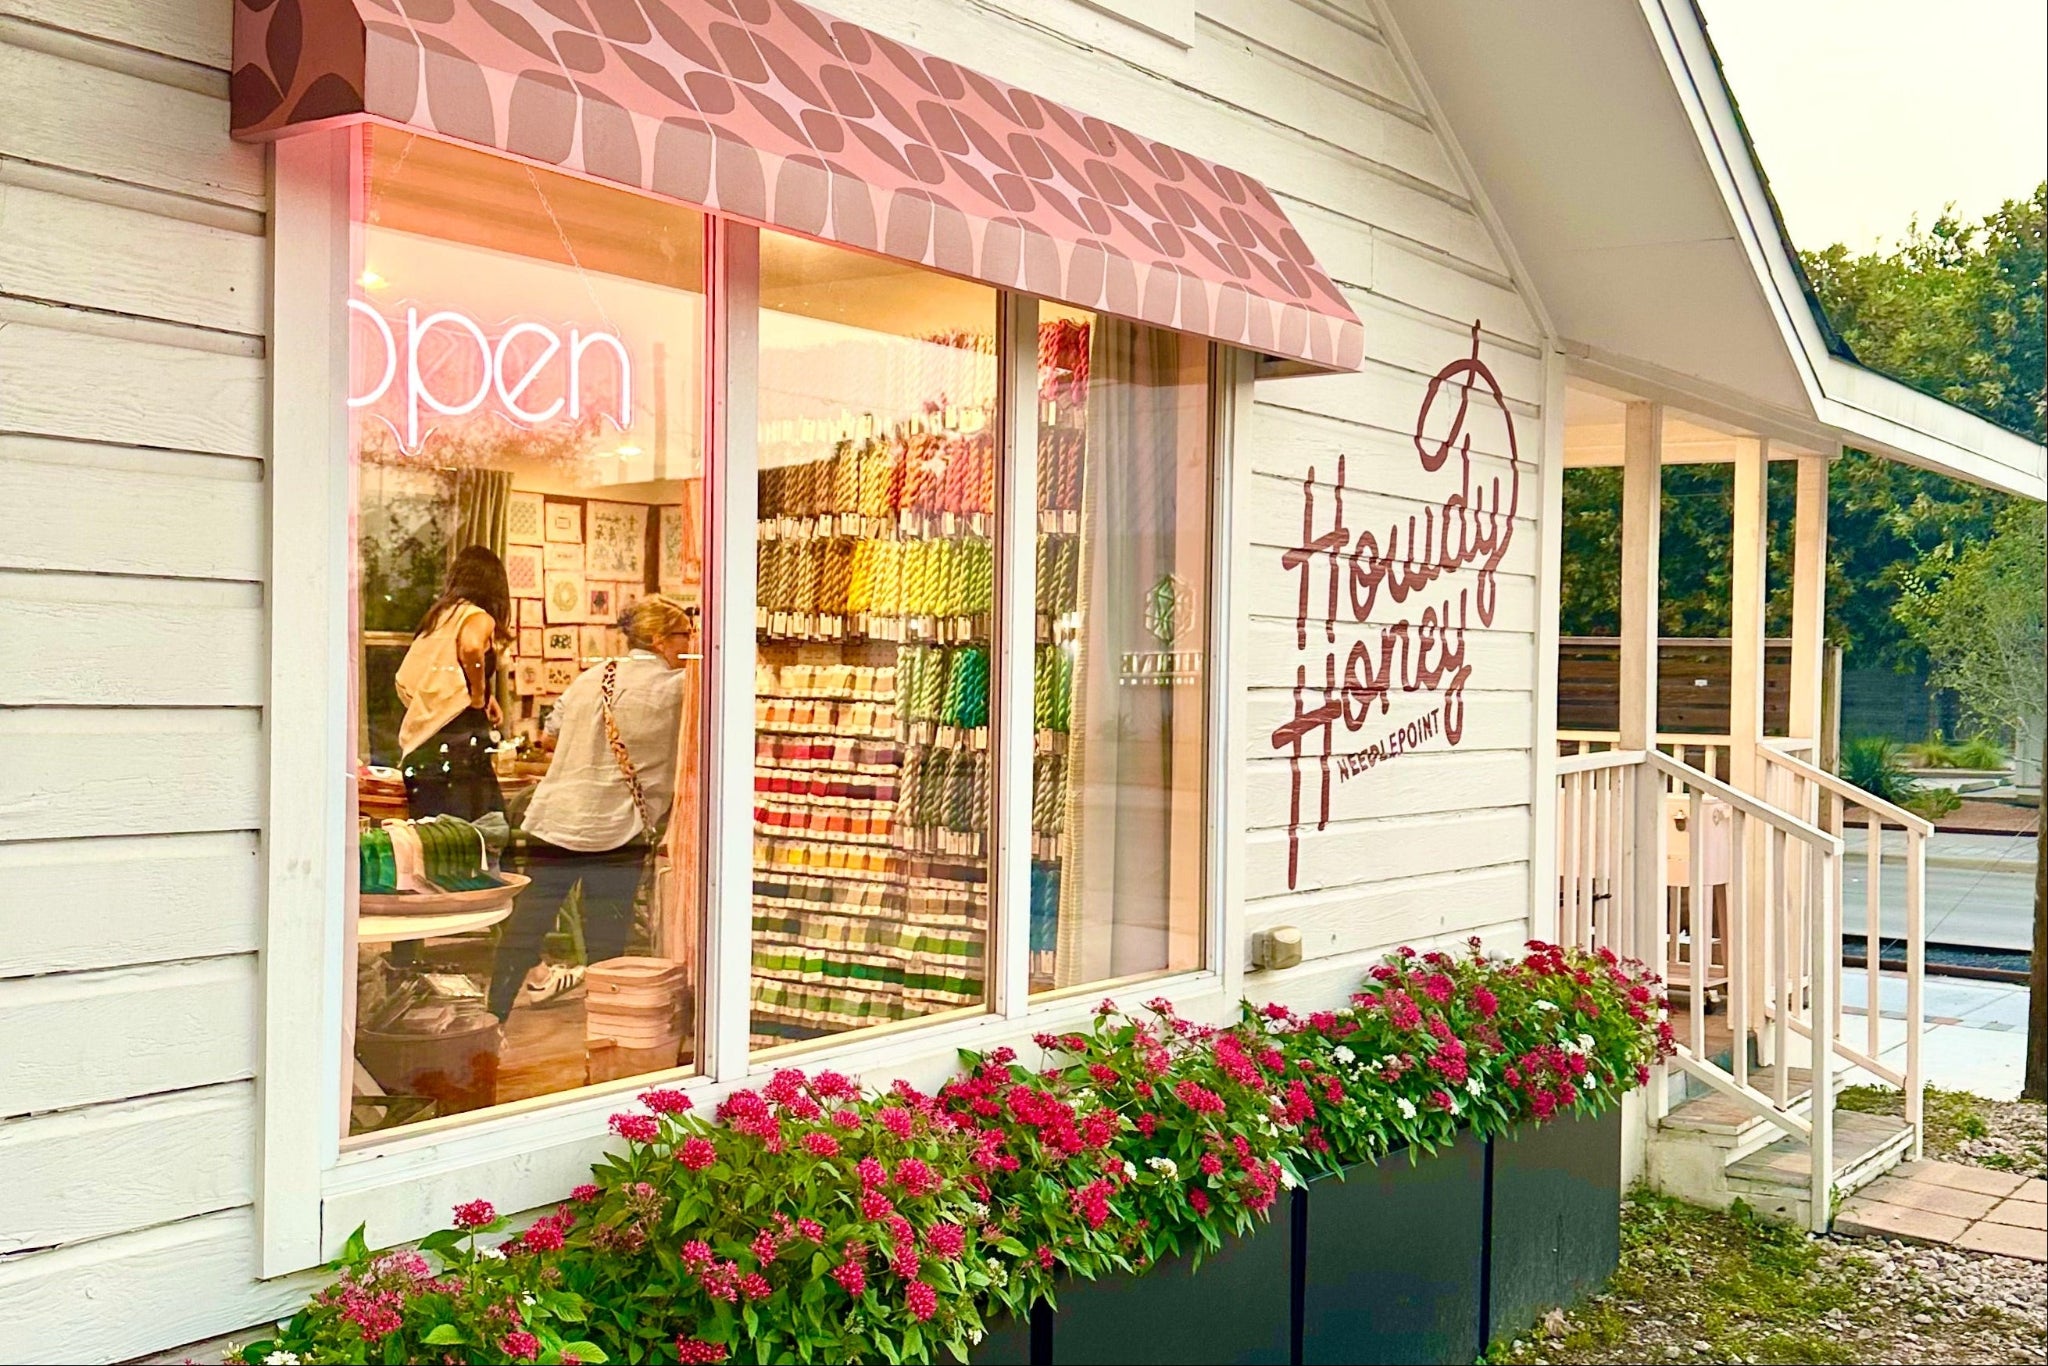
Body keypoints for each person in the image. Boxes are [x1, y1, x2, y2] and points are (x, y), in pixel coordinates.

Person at [488, 595, 696, 1021]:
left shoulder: (593, 676)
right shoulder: (681, 688)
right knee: (607, 942)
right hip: (617, 828)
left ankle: (492, 1023)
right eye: (683, 635)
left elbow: (551, 732)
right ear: (659, 639)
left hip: (555, 820)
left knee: (524, 931)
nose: (689, 643)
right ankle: (606, 1035)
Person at [394, 545, 511, 822]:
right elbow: (471, 648)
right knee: (486, 833)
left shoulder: (439, 617)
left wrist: (477, 695)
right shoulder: (478, 616)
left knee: (434, 845)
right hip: (459, 754)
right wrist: (479, 694)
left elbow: (408, 680)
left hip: (423, 748)